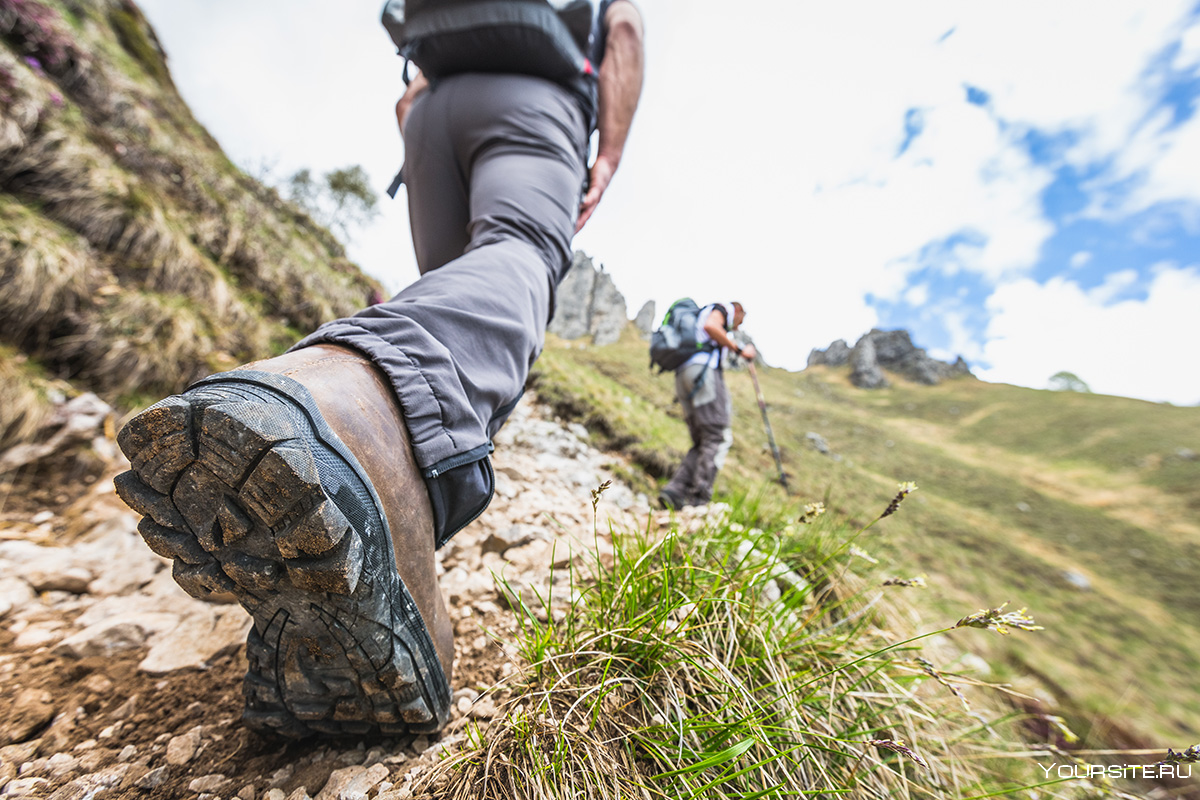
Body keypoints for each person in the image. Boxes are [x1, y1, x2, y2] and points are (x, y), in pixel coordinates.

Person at [114, 1, 644, 739]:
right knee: (519, 254)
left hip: (430, 113)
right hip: (535, 99)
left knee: (457, 281)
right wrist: (608, 150)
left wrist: (422, 116)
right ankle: (349, 413)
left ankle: (378, 536)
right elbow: (623, 27)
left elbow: (409, 89)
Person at [659, 302, 755, 510]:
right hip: (703, 375)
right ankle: (698, 501)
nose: (738, 325)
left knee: (701, 440)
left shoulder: (700, 315)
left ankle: (675, 491)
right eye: (742, 319)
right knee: (717, 435)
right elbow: (711, 327)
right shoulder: (723, 309)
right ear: (738, 310)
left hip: (684, 376)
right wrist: (739, 349)